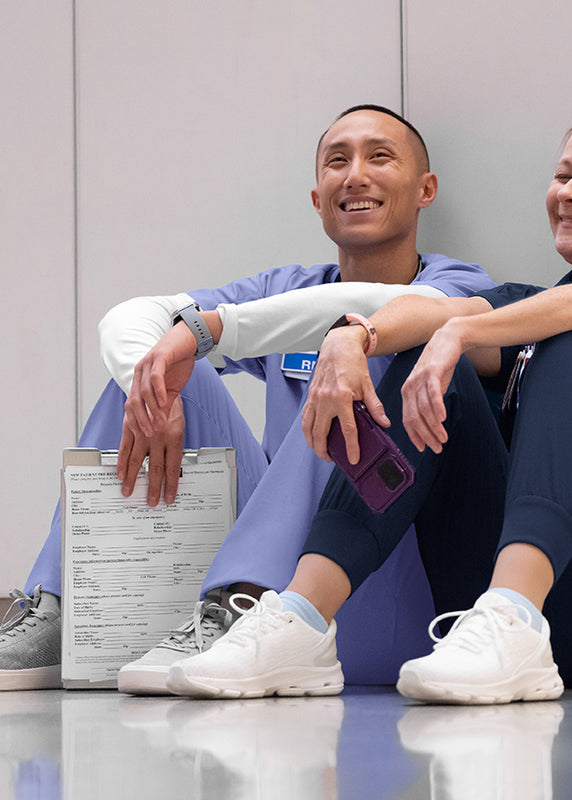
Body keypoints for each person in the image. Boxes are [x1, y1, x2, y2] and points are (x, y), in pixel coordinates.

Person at [161, 105, 572, 702]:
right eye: (562, 175)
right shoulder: (531, 304)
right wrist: (354, 336)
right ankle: (302, 622)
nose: (569, 193)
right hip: (544, 625)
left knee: (558, 337)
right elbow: (434, 310)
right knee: (432, 355)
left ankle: (514, 615)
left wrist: (465, 331)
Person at [0, 104, 496, 693]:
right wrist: (152, 392)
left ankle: (243, 595)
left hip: (380, 580)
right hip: (271, 589)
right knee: (156, 367)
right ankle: (63, 607)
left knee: (363, 361)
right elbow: (132, 317)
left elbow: (384, 309)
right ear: (318, 200)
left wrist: (221, 328)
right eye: (337, 161)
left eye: (379, 156)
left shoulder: (461, 286)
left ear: (425, 189)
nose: (355, 174)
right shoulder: (286, 290)